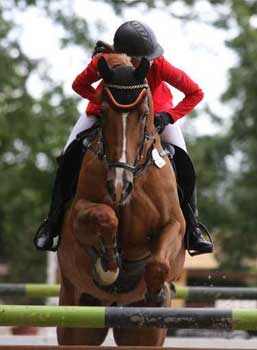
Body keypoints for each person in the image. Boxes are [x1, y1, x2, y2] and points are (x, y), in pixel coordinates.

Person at [34, 20, 213, 255]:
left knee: (183, 160)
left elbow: (195, 93)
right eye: (139, 57)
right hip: (106, 114)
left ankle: (193, 228)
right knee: (70, 155)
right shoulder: (103, 63)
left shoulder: (157, 64)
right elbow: (79, 85)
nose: (144, 61)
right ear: (122, 54)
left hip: (154, 115)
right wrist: (105, 104)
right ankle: (53, 222)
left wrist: (169, 116)